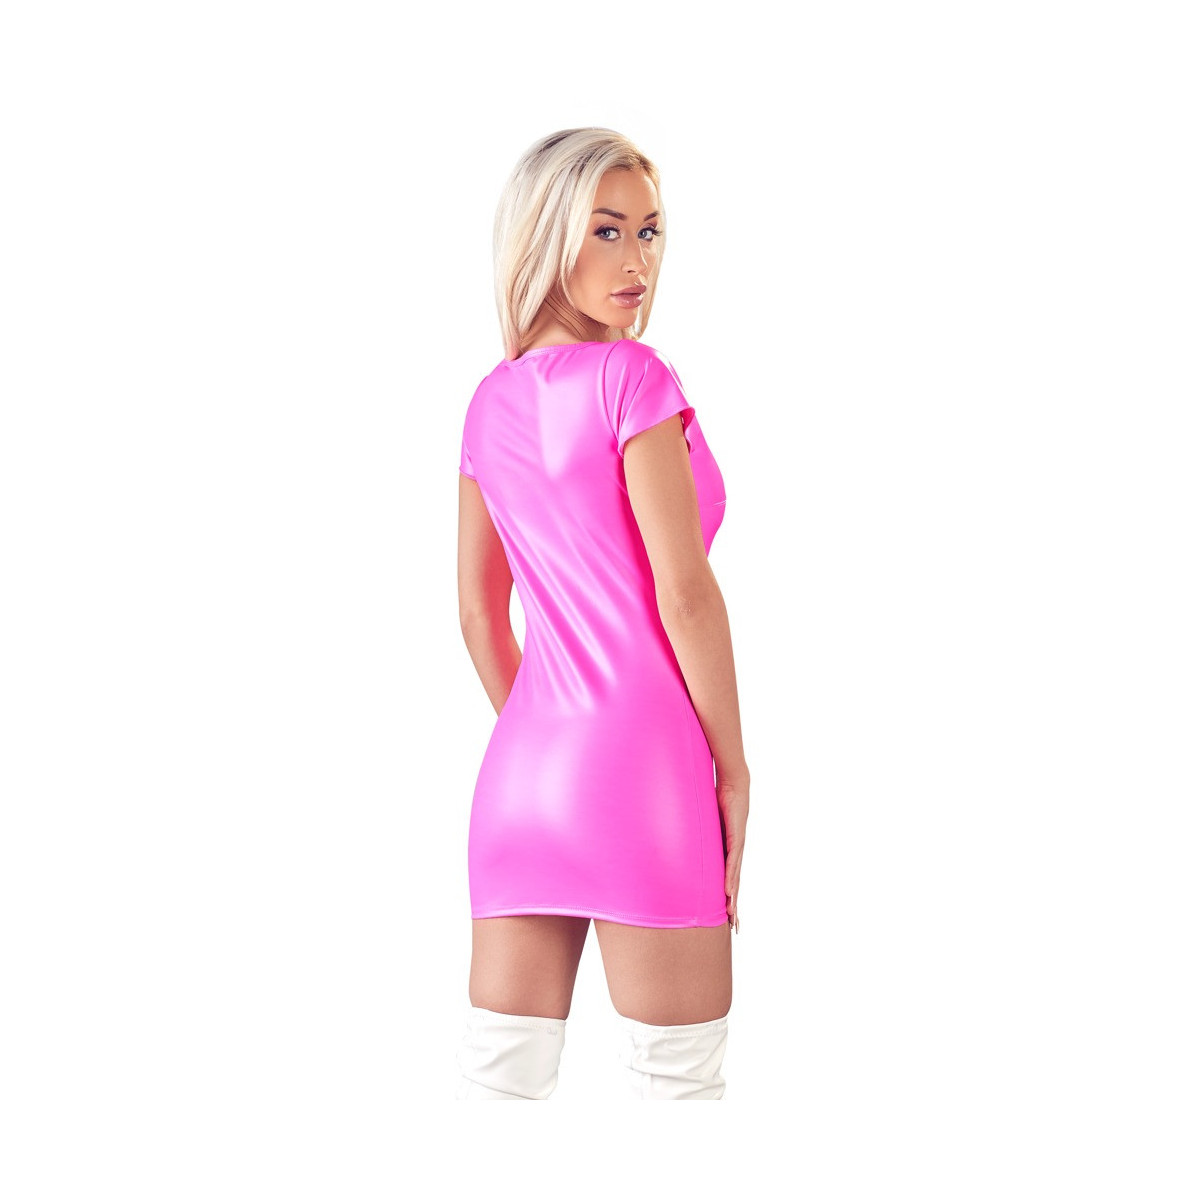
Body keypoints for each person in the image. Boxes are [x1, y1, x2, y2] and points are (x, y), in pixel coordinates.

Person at [454, 128, 750, 1100]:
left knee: (501, 1089)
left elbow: (477, 611)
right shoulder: (633, 379)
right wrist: (733, 769)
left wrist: (550, 728)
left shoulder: (487, 402)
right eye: (608, 231)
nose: (637, 261)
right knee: (680, 1091)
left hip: (522, 777)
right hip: (649, 769)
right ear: (547, 236)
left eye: (650, 232)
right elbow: (684, 592)